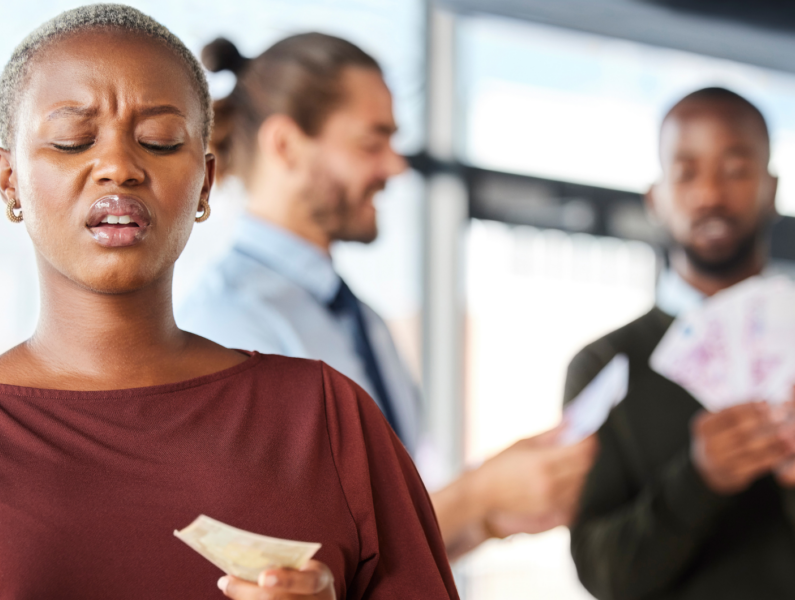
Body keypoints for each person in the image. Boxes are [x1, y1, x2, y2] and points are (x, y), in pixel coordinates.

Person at [0, 6, 458, 600]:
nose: (117, 166)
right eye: (72, 139)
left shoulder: (327, 419)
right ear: (9, 180)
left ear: (205, 183)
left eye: (159, 142)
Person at [177, 33, 597, 560]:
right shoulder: (224, 322)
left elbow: (390, 554)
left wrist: (489, 514)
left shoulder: (365, 323)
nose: (395, 167)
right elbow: (278, 563)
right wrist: (474, 495)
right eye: (371, 143)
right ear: (285, 146)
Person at [564, 87, 795, 599]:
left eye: (735, 169)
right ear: (656, 197)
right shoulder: (603, 365)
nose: (710, 193)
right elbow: (604, 577)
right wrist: (698, 480)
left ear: (771, 188)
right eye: (687, 172)